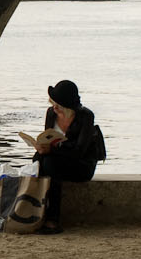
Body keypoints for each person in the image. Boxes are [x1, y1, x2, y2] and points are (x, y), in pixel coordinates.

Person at [28, 79, 103, 234]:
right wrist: (41, 148)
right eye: (53, 103)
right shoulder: (51, 113)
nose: (54, 108)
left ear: (69, 107)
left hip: (81, 164)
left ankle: (53, 220)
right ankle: (34, 212)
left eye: (59, 105)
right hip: (57, 159)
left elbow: (79, 151)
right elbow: (47, 138)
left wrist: (52, 150)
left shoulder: (85, 117)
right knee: (38, 161)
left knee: (49, 164)